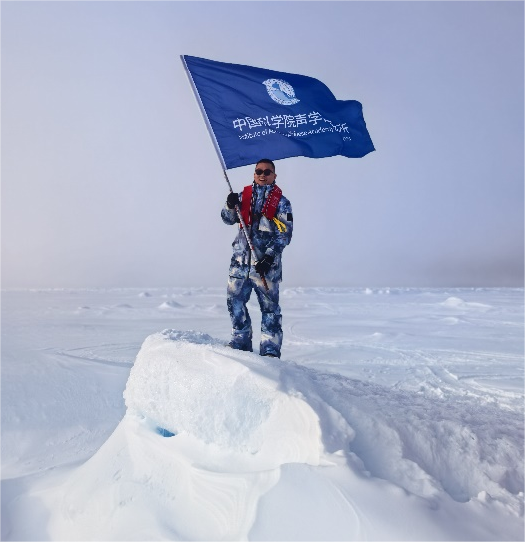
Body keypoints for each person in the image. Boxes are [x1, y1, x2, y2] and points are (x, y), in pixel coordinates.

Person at [221, 159, 293, 358]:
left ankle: (270, 348)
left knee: (270, 309)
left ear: (274, 175)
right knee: (234, 302)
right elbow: (227, 219)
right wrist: (229, 205)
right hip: (240, 265)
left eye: (267, 171)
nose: (263, 174)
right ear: (254, 174)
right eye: (259, 171)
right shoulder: (243, 198)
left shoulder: (282, 203)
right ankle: (240, 340)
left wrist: (269, 258)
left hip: (266, 268)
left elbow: (284, 234)